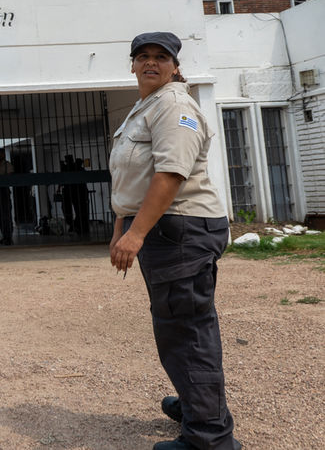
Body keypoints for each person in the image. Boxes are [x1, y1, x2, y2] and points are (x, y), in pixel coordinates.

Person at [109, 32, 241, 450]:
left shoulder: (174, 105)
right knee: (178, 327)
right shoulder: (147, 106)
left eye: (161, 57)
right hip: (168, 228)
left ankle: (209, 438)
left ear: (175, 66)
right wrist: (122, 223)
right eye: (142, 56)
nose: (151, 63)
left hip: (181, 228)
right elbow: (135, 176)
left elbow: (170, 175)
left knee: (187, 331)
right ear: (131, 65)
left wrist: (137, 233)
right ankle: (198, 406)